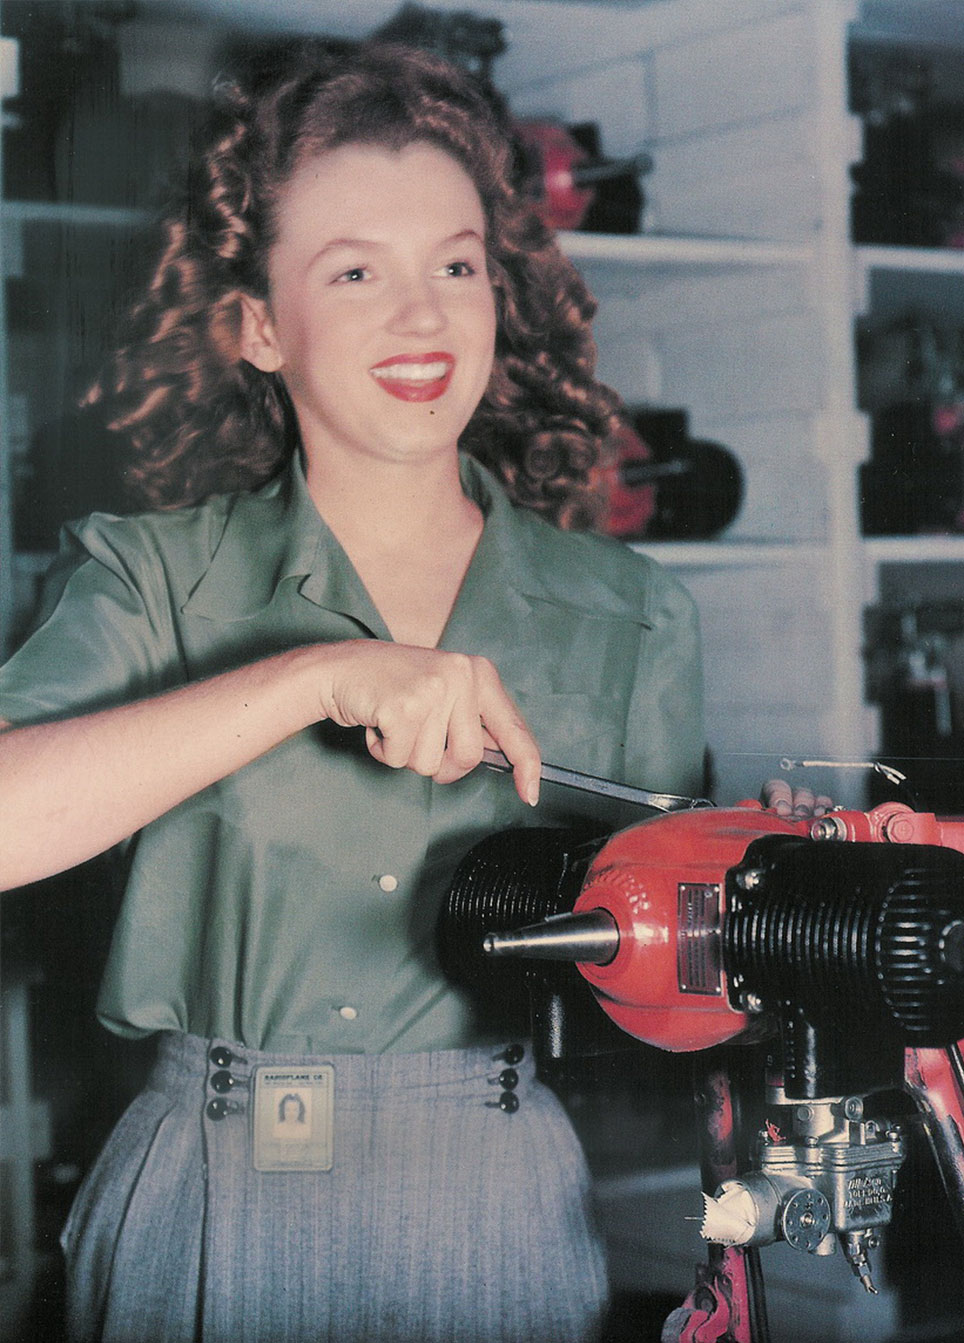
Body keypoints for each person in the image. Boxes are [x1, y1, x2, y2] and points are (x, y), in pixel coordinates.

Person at [1, 39, 715, 1343]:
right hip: (214, 1194)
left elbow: (675, 1000)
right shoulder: (152, 578)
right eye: (355, 272)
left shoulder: (636, 617)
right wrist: (313, 677)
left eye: (456, 266)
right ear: (258, 326)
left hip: (498, 1200)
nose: (423, 318)